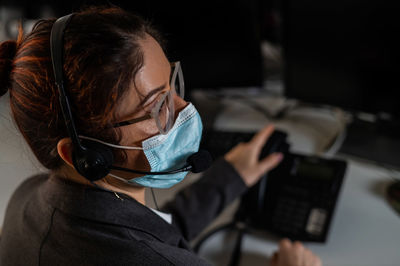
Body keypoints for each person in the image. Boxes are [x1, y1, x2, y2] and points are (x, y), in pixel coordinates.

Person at [0, 6, 321, 266]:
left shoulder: (28, 199)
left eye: (172, 86)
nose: (185, 109)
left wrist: (229, 178)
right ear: (82, 153)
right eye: (158, 105)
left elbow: (154, 233)